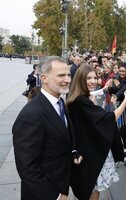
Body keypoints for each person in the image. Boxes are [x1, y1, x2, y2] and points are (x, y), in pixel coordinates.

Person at [12, 56, 81, 200]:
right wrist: (55, 196)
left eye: (68, 74)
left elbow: (63, 134)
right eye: (61, 75)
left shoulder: (60, 102)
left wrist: (73, 152)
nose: (68, 79)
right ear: (44, 78)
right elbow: (27, 168)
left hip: (61, 182)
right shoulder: (31, 115)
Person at [66, 63, 126, 200]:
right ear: (80, 80)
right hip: (89, 155)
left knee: (91, 190)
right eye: (88, 78)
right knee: (92, 191)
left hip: (86, 152)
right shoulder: (80, 101)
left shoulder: (77, 98)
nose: (92, 81)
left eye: (94, 77)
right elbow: (109, 118)